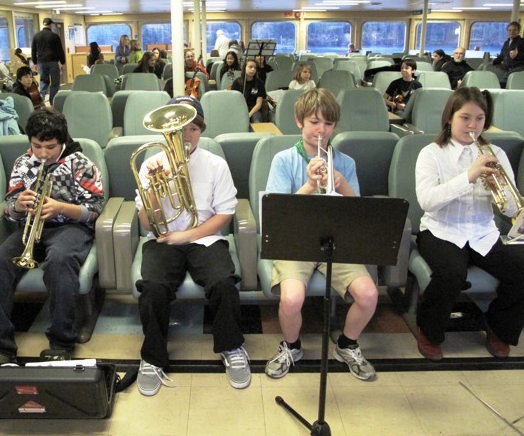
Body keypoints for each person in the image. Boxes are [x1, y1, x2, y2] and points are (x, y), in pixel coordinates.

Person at [134, 95, 250, 396]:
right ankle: (152, 357)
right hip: (162, 238)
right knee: (153, 288)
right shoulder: (151, 165)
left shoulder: (216, 164)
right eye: (178, 129)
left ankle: (232, 347)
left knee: (224, 282)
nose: (185, 136)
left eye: (193, 129)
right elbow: (147, 223)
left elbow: (225, 214)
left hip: (205, 237)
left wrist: (189, 235)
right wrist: (159, 190)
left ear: (201, 130)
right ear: (164, 132)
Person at [264, 88, 378, 381]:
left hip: (336, 242)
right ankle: (291, 346)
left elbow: (360, 215)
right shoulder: (283, 160)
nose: (322, 130)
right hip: (295, 243)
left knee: (368, 295)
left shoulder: (345, 163)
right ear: (299, 121)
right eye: (315, 122)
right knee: (291, 299)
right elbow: (277, 214)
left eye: (328, 124)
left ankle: (347, 344)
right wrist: (309, 187)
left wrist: (342, 186)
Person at [0, 108, 105, 366]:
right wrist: (18, 206)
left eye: (50, 147)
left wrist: (60, 208)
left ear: (62, 141)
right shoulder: (22, 163)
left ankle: (61, 342)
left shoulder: (80, 163)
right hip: (29, 228)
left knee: (59, 261)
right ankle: (0, 346)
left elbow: (95, 210)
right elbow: (10, 209)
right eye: (36, 146)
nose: (43, 153)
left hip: (70, 228)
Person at [414, 87, 524, 361]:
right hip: (440, 230)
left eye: (479, 118)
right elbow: (427, 200)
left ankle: (498, 326)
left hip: (483, 232)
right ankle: (429, 332)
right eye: (465, 117)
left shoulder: (495, 153)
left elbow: (511, 207)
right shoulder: (431, 153)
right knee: (451, 273)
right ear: (449, 118)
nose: (472, 125)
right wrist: (470, 176)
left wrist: (499, 188)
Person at [31, 17, 65, 105]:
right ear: (51, 25)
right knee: (55, 82)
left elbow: (33, 50)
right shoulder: (54, 36)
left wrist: (35, 62)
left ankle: (41, 98)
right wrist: (62, 62)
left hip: (41, 62)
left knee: (43, 81)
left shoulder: (36, 36)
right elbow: (60, 50)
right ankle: (52, 101)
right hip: (53, 61)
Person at [493, 21, 524, 86]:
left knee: (502, 83)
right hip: (506, 67)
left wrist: (517, 55)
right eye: (509, 30)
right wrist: (494, 62)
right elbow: (502, 56)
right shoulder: (506, 43)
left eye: (514, 30)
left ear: (518, 31)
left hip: (518, 67)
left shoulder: (522, 42)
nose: (511, 32)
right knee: (486, 67)